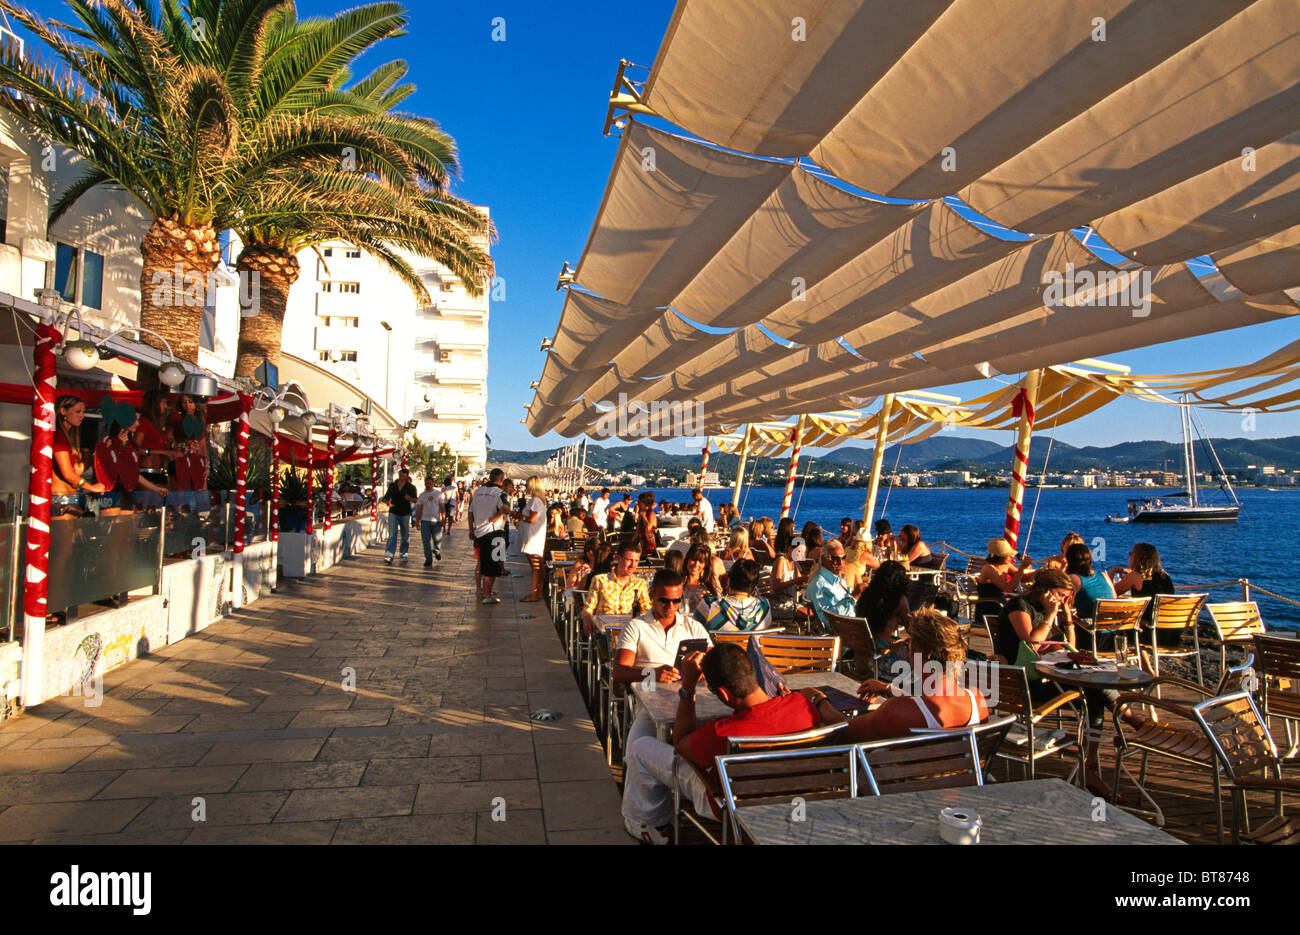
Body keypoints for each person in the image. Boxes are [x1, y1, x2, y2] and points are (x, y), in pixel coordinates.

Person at [621, 639, 842, 844]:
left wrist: (688, 687)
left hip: (732, 806)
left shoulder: (722, 733)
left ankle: (644, 822)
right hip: (797, 801)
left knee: (641, 746)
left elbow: (680, 743)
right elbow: (839, 724)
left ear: (725, 695)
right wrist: (817, 698)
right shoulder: (802, 705)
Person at [845, 608, 988, 741]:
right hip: (959, 767)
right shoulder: (977, 701)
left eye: (909, 645)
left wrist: (822, 702)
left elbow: (844, 731)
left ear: (918, 654)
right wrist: (888, 689)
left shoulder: (897, 712)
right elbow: (928, 705)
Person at [1111, 542, 1176, 648]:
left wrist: (1113, 572)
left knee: (1115, 626)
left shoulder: (1136, 576)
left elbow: (1110, 594)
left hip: (1149, 633)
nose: (1129, 557)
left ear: (1137, 558)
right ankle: (1146, 665)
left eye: (1131, 554)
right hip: (1170, 633)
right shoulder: (1166, 577)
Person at [581, 542, 651, 635]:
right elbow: (588, 608)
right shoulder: (600, 580)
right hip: (606, 634)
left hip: (631, 633)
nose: (633, 565)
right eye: (629, 560)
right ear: (618, 558)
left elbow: (647, 610)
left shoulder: (640, 584)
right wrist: (587, 617)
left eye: (636, 561)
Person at [52, 396, 106, 509]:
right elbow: (68, 474)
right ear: (63, 411)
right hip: (60, 498)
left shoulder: (67, 437)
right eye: (78, 412)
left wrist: (95, 456)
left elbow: (74, 471)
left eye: (83, 412)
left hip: (68, 497)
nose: (82, 416)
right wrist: (91, 487)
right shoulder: (59, 436)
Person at [694, 558, 772, 632]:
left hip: (720, 646)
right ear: (754, 586)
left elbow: (693, 631)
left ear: (729, 580)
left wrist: (699, 605)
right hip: (754, 646)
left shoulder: (709, 604)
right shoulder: (764, 606)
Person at [469, 468, 510, 604]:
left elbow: (470, 512)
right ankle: (487, 594)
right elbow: (505, 507)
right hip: (494, 532)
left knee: (481, 562)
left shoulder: (478, 491)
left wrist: (471, 529)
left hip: (479, 532)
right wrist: (497, 517)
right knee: (493, 564)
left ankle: (482, 589)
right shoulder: (499, 492)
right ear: (501, 479)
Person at [974, 537, 1031, 627]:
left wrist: (1040, 572)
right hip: (990, 607)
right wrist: (1022, 568)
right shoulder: (989, 569)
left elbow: (1023, 578)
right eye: (1008, 555)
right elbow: (1009, 588)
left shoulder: (1006, 565)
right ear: (998, 556)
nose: (1012, 557)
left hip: (1001, 604)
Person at [855, 559, 911, 644]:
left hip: (863, 649)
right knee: (918, 645)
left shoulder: (867, 594)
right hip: (882, 652)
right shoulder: (899, 599)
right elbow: (911, 629)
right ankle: (919, 658)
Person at [805, 539, 856, 630]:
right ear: (824, 559)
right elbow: (826, 620)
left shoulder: (839, 580)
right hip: (841, 633)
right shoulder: (818, 585)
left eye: (843, 558)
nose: (840, 562)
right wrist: (853, 597)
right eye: (835, 559)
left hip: (850, 626)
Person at [515, 475, 547, 601]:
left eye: (527, 484)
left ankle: (533, 594)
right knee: (538, 565)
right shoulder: (541, 500)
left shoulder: (535, 501)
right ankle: (538, 592)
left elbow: (532, 519)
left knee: (535, 566)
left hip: (532, 537)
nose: (526, 487)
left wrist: (520, 516)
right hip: (537, 536)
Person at [1066, 542, 1115, 621]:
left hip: (1088, 628)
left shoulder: (1073, 578)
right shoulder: (1104, 575)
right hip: (1111, 626)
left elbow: (1064, 602)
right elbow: (1114, 597)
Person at [381, 468, 418, 564]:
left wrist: (409, 498)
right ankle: (389, 555)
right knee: (392, 534)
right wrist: (387, 502)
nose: (402, 478)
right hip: (393, 511)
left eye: (404, 476)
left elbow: (415, 500)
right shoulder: (392, 486)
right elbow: (385, 498)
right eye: (400, 476)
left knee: (405, 535)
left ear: (407, 477)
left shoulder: (411, 487)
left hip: (405, 513)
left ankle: (403, 553)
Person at [414, 475, 444, 567]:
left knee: (437, 539)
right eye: (426, 483)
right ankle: (428, 559)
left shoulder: (439, 494)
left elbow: (442, 508)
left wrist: (443, 519)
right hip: (425, 521)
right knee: (426, 541)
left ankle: (437, 551)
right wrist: (417, 521)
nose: (428, 485)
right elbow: (418, 509)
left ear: (433, 484)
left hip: (436, 521)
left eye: (430, 483)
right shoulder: (422, 495)